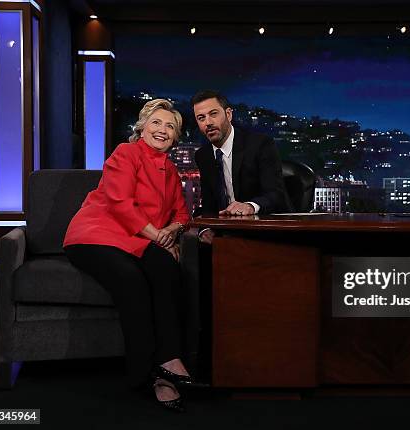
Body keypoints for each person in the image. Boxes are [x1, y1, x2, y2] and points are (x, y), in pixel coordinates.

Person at [63, 99, 192, 412]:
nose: (163, 130)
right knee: (131, 279)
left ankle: (168, 364)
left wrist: (171, 232)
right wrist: (158, 235)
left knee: (167, 269)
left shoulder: (172, 171)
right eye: (157, 123)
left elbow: (183, 213)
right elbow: (120, 203)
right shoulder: (126, 152)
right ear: (143, 128)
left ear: (175, 138)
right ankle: (145, 374)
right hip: (96, 234)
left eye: (170, 127)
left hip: (138, 239)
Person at [192, 90, 291, 242]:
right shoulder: (203, 156)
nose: (208, 122)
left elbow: (276, 194)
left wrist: (250, 206)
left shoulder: (260, 144)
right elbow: (209, 204)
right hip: (227, 233)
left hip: (264, 229)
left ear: (229, 114)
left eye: (213, 114)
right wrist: (206, 228)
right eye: (201, 118)